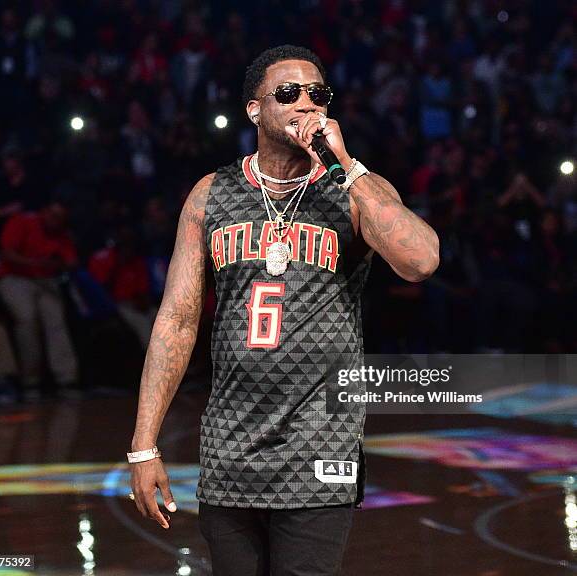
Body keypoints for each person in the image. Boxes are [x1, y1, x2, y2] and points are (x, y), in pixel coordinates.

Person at [129, 45, 439, 576]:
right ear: (255, 109)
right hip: (230, 445)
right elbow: (177, 320)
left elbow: (420, 261)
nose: (306, 104)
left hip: (322, 441)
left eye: (317, 94)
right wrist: (143, 445)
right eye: (288, 94)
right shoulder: (211, 195)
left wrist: (346, 161)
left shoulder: (353, 190)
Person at [0, 199, 79, 400]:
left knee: (56, 320)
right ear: (44, 211)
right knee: (27, 318)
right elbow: (7, 254)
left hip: (43, 279)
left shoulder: (61, 234)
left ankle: (67, 379)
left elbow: (72, 262)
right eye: (53, 215)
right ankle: (30, 381)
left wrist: (62, 264)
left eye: (60, 218)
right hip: (13, 277)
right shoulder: (22, 221)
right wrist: (40, 263)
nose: (55, 220)